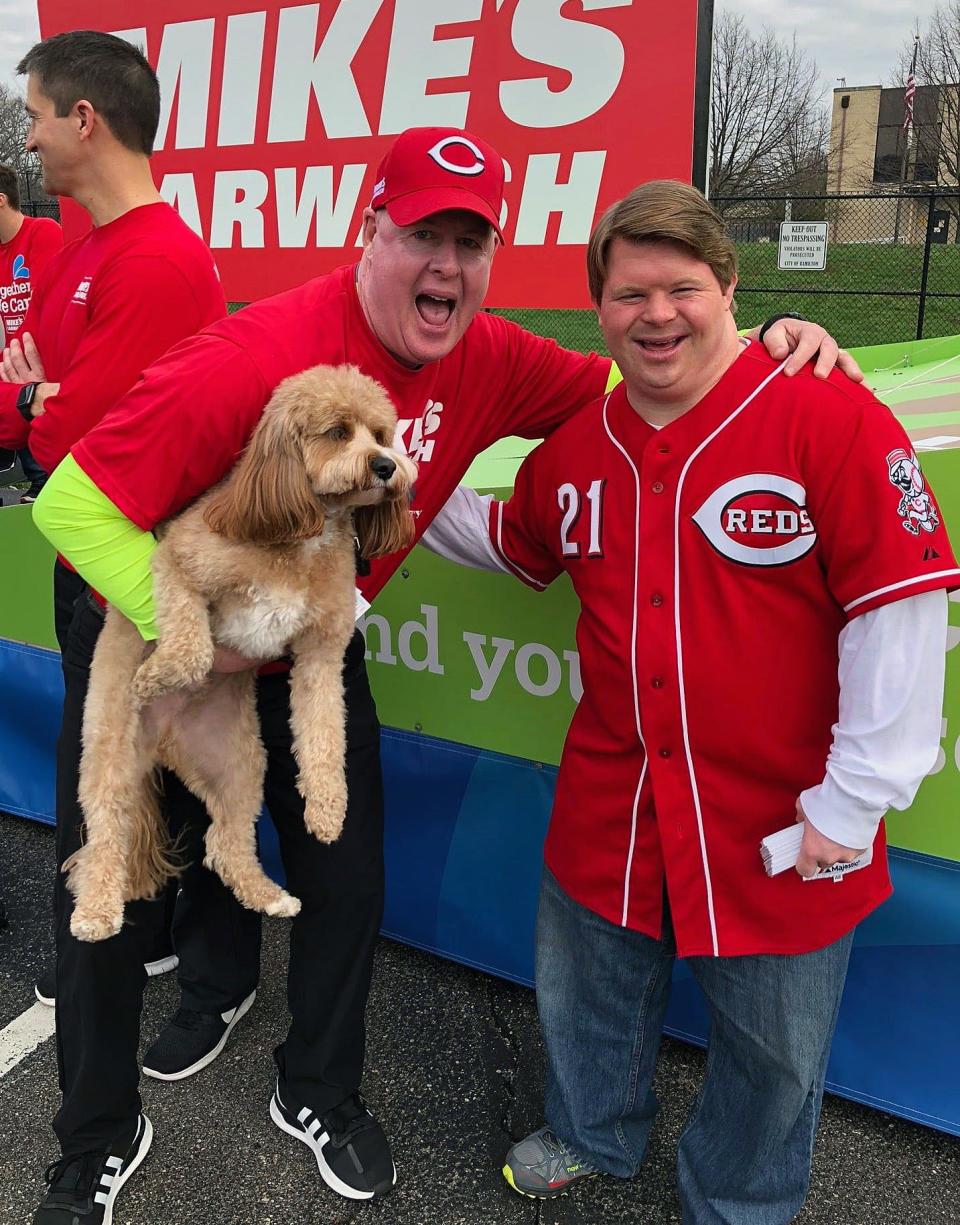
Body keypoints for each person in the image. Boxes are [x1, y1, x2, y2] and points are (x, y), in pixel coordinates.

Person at [32, 123, 855, 1221]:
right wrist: (204, 644)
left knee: (345, 868)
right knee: (114, 891)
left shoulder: (496, 356)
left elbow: (658, 369)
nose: (447, 266)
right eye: (423, 233)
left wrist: (777, 339)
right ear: (368, 232)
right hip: (158, 630)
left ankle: (317, 1085)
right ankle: (94, 1132)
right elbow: (70, 505)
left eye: (471, 242)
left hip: (305, 641)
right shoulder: (253, 355)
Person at [419, 180, 957, 1223]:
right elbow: (510, 541)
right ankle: (592, 1133)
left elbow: (899, 614)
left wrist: (849, 806)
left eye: (682, 288)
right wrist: (400, 488)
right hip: (614, 797)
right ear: (599, 307)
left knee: (774, 1050)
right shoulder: (578, 441)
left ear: (730, 287)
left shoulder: (827, 412)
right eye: (629, 294)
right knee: (587, 995)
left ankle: (741, 1202)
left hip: (783, 816)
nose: (656, 314)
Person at [0, 32, 232, 1034]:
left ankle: (116, 947)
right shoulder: (83, 248)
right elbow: (36, 407)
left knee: (113, 767)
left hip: (134, 575)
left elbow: (71, 443)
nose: (31, 135)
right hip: (89, 564)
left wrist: (37, 403)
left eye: (37, 114)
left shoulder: (161, 262)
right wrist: (37, 401)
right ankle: (137, 926)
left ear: (84, 120)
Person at [0, 162, 62, 500]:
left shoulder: (43, 232)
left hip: (41, 364)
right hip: (13, 367)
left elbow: (46, 301)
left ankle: (44, 483)